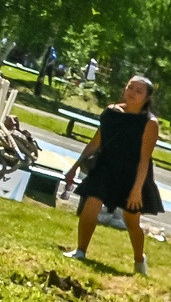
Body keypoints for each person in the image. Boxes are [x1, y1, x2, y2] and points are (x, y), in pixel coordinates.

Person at [62, 75, 163, 274]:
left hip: (133, 175)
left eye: (138, 91)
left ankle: (138, 259)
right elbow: (96, 141)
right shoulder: (111, 112)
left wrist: (136, 190)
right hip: (106, 168)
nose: (132, 93)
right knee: (91, 203)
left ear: (146, 98)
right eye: (130, 87)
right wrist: (75, 166)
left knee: (131, 222)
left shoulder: (150, 123)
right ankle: (81, 251)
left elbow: (144, 159)